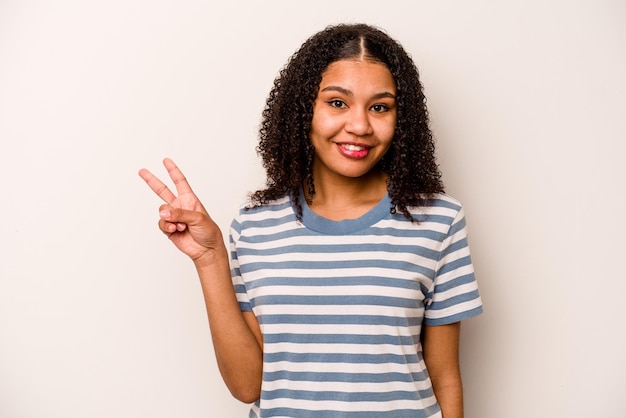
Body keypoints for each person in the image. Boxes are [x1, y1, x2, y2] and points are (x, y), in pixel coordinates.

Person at [139, 23, 482, 418]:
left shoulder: (438, 220)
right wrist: (210, 258)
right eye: (337, 102)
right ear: (304, 109)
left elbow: (446, 378)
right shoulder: (254, 227)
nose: (359, 126)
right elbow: (248, 385)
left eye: (380, 106)